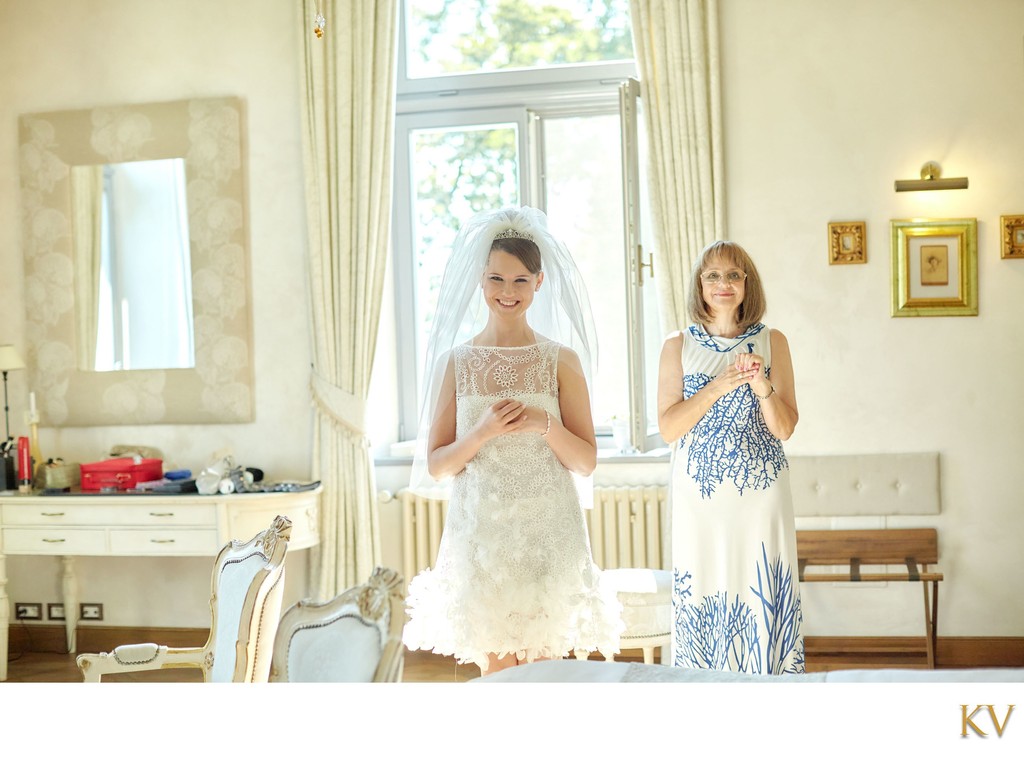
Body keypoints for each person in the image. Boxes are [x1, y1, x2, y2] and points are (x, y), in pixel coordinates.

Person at [402, 205, 623, 676]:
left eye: (520, 280)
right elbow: (439, 465)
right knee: (497, 678)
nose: (508, 292)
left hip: (548, 533)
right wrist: (481, 432)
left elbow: (585, 462)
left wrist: (546, 423)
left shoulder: (561, 360)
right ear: (480, 281)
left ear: (539, 283)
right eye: (497, 279)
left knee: (544, 676)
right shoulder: (456, 362)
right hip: (483, 537)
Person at [657, 240, 803, 673]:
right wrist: (720, 384)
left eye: (733, 275)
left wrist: (762, 387)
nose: (723, 284)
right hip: (699, 497)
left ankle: (770, 686)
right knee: (704, 583)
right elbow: (669, 428)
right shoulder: (677, 345)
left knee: (763, 588)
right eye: (713, 275)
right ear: (700, 285)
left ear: (747, 284)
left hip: (762, 495)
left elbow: (785, 428)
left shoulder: (773, 340)